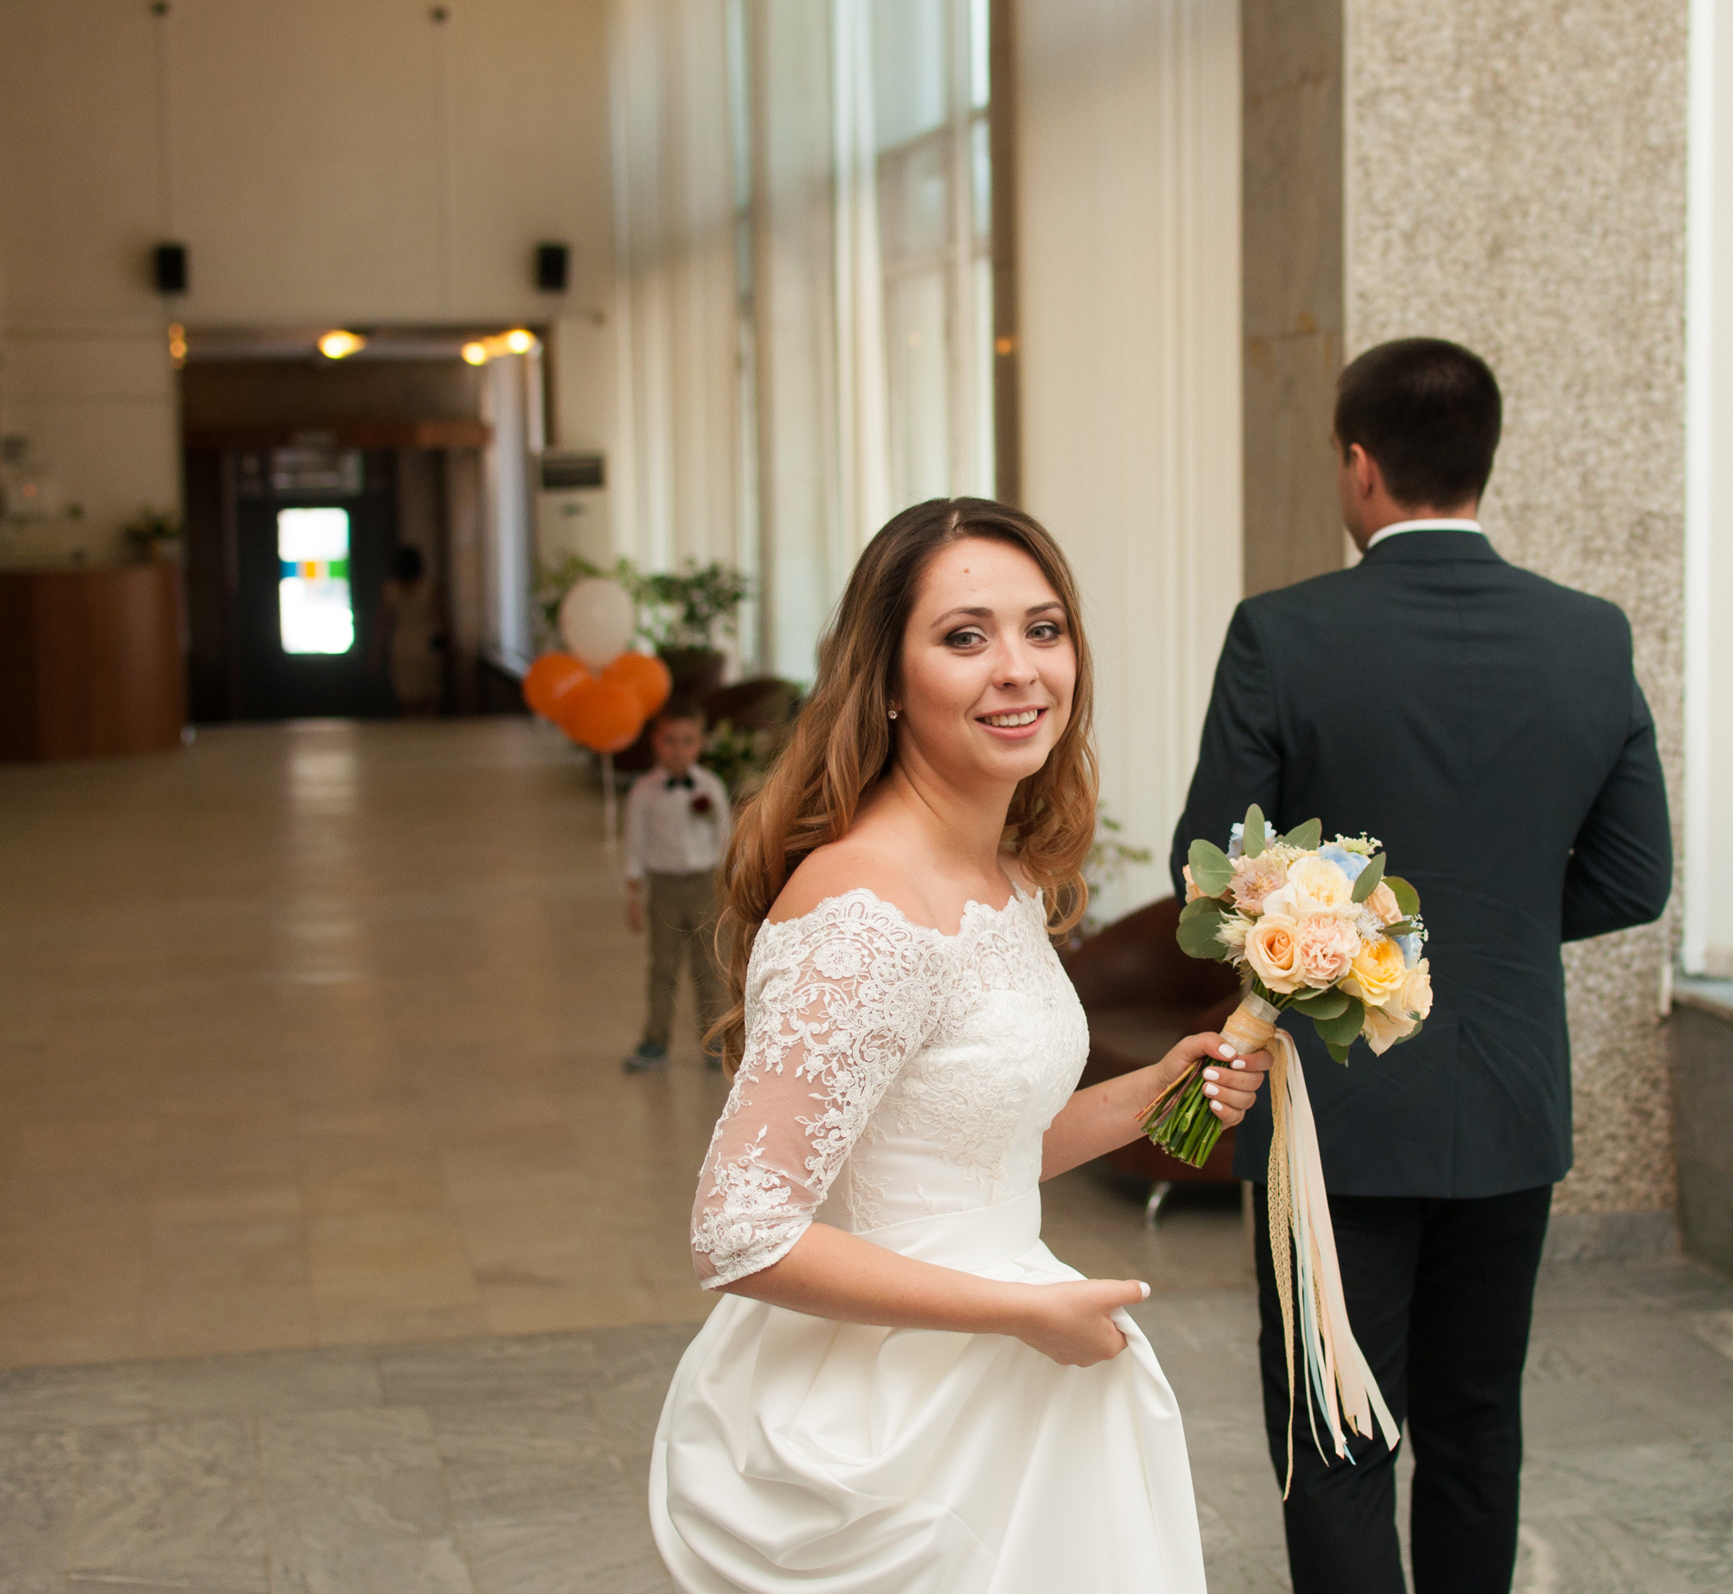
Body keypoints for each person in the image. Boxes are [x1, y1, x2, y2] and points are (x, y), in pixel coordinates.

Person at [651, 498, 1269, 1593]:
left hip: (1012, 1364)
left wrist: (1149, 1094)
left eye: (1044, 629)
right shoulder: (864, 908)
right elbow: (738, 1230)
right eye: (964, 636)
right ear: (886, 679)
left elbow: (956, 1155)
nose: (1019, 669)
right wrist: (1022, 1311)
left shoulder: (1005, 874)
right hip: (901, 1414)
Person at [1170, 337, 1673, 1593]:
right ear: (1483, 460)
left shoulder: (1280, 635)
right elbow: (1633, 876)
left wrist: (1364, 950)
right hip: (1509, 1095)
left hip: (1332, 1109)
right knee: (1475, 1424)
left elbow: (1211, 866)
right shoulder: (1590, 636)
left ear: (1358, 463)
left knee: (1333, 1426)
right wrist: (1479, 933)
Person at [622, 704, 733, 1072]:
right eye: (669, 741)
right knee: (663, 968)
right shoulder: (643, 792)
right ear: (656, 742)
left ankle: (715, 1042)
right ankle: (656, 1040)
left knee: (708, 969)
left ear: (699, 744)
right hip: (664, 889)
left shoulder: (711, 787)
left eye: (687, 742)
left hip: (705, 886)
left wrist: (728, 893)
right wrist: (634, 897)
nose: (677, 750)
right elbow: (634, 845)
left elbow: (725, 840)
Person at [371, 545, 443, 716]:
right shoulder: (430, 588)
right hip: (426, 647)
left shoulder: (390, 590)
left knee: (408, 705)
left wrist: (376, 654)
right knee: (429, 702)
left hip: (402, 649)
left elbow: (382, 626)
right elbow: (442, 621)